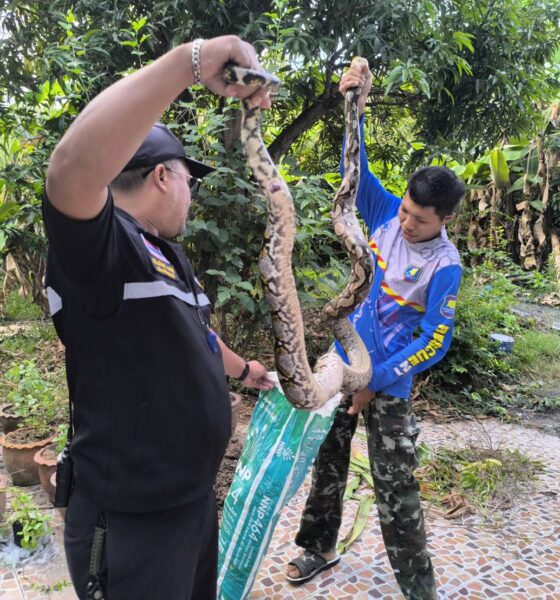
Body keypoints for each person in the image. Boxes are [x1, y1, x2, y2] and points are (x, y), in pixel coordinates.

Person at [43, 36, 274, 600]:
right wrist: (190, 63)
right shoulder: (103, 251)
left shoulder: (163, 253)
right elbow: (70, 170)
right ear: (162, 177)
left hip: (188, 504)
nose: (192, 196)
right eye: (189, 182)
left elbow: (196, 335)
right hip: (132, 523)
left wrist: (245, 371)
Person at [285, 59, 464, 600]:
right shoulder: (384, 212)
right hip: (340, 363)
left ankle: (418, 588)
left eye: (420, 220)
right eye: (406, 211)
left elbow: (434, 341)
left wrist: (373, 380)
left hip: (388, 382)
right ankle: (318, 548)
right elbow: (354, 170)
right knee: (326, 459)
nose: (407, 224)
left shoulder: (445, 266)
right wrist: (354, 105)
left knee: (395, 488)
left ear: (445, 220)